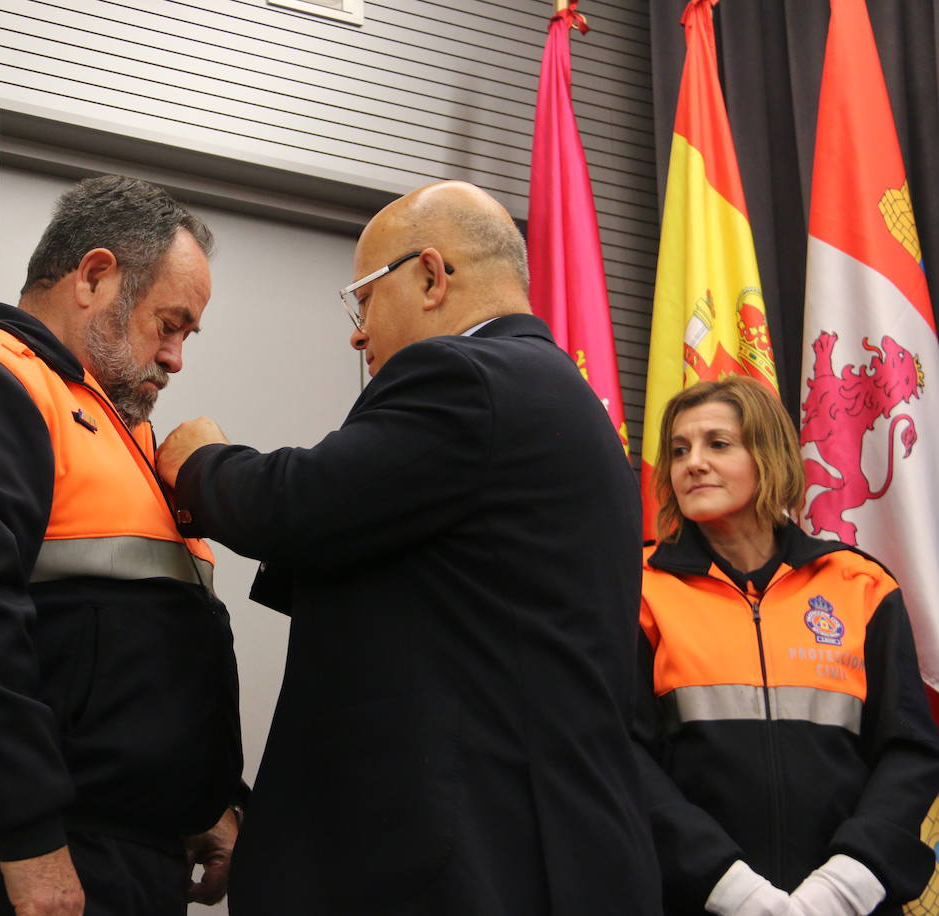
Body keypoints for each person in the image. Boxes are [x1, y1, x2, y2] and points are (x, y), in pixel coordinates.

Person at [154, 180, 661, 915]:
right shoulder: (562, 399)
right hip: (551, 854)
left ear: (430, 275)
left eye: (362, 298)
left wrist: (203, 462)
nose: (357, 334)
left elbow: (302, 503)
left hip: (463, 868)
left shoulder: (467, 376)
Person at [0, 175, 243, 916]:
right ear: (95, 276)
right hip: (7, 860)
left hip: (123, 854)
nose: (175, 357)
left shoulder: (120, 431)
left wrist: (204, 805)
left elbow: (131, 667)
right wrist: (27, 839)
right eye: (170, 323)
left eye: (187, 335)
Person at [636, 376, 939, 916]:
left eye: (718, 444)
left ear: (769, 456)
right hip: (695, 900)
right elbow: (620, 755)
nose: (692, 463)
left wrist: (844, 887)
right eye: (679, 449)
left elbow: (909, 752)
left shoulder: (860, 585)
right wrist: (729, 890)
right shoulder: (638, 589)